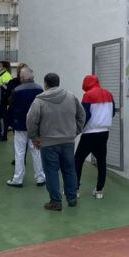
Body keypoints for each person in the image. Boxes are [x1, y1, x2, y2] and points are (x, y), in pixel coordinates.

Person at [27, 72, 85, 211]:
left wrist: (34, 138)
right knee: (70, 169)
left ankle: (55, 201)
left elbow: (31, 120)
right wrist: (75, 131)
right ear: (58, 82)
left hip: (48, 142)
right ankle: (72, 198)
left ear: (45, 84)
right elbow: (81, 115)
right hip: (68, 141)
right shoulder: (71, 97)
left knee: (51, 171)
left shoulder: (39, 101)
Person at [75, 75, 115, 199]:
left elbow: (84, 115)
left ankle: (75, 189)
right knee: (101, 161)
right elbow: (112, 112)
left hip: (89, 133)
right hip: (104, 132)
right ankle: (99, 191)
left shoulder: (88, 95)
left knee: (78, 160)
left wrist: (78, 129)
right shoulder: (109, 94)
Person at [6, 67, 45, 188]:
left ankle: (18, 179)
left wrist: (11, 122)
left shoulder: (16, 90)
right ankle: (40, 178)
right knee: (36, 151)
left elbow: (10, 104)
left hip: (20, 125)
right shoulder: (40, 89)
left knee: (19, 152)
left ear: (22, 78)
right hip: (35, 125)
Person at [0, 60, 14, 141]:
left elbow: (6, 88)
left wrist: (1, 87)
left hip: (2, 100)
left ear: (4, 67)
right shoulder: (0, 75)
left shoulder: (7, 75)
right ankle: (0, 134)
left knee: (2, 118)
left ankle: (2, 135)